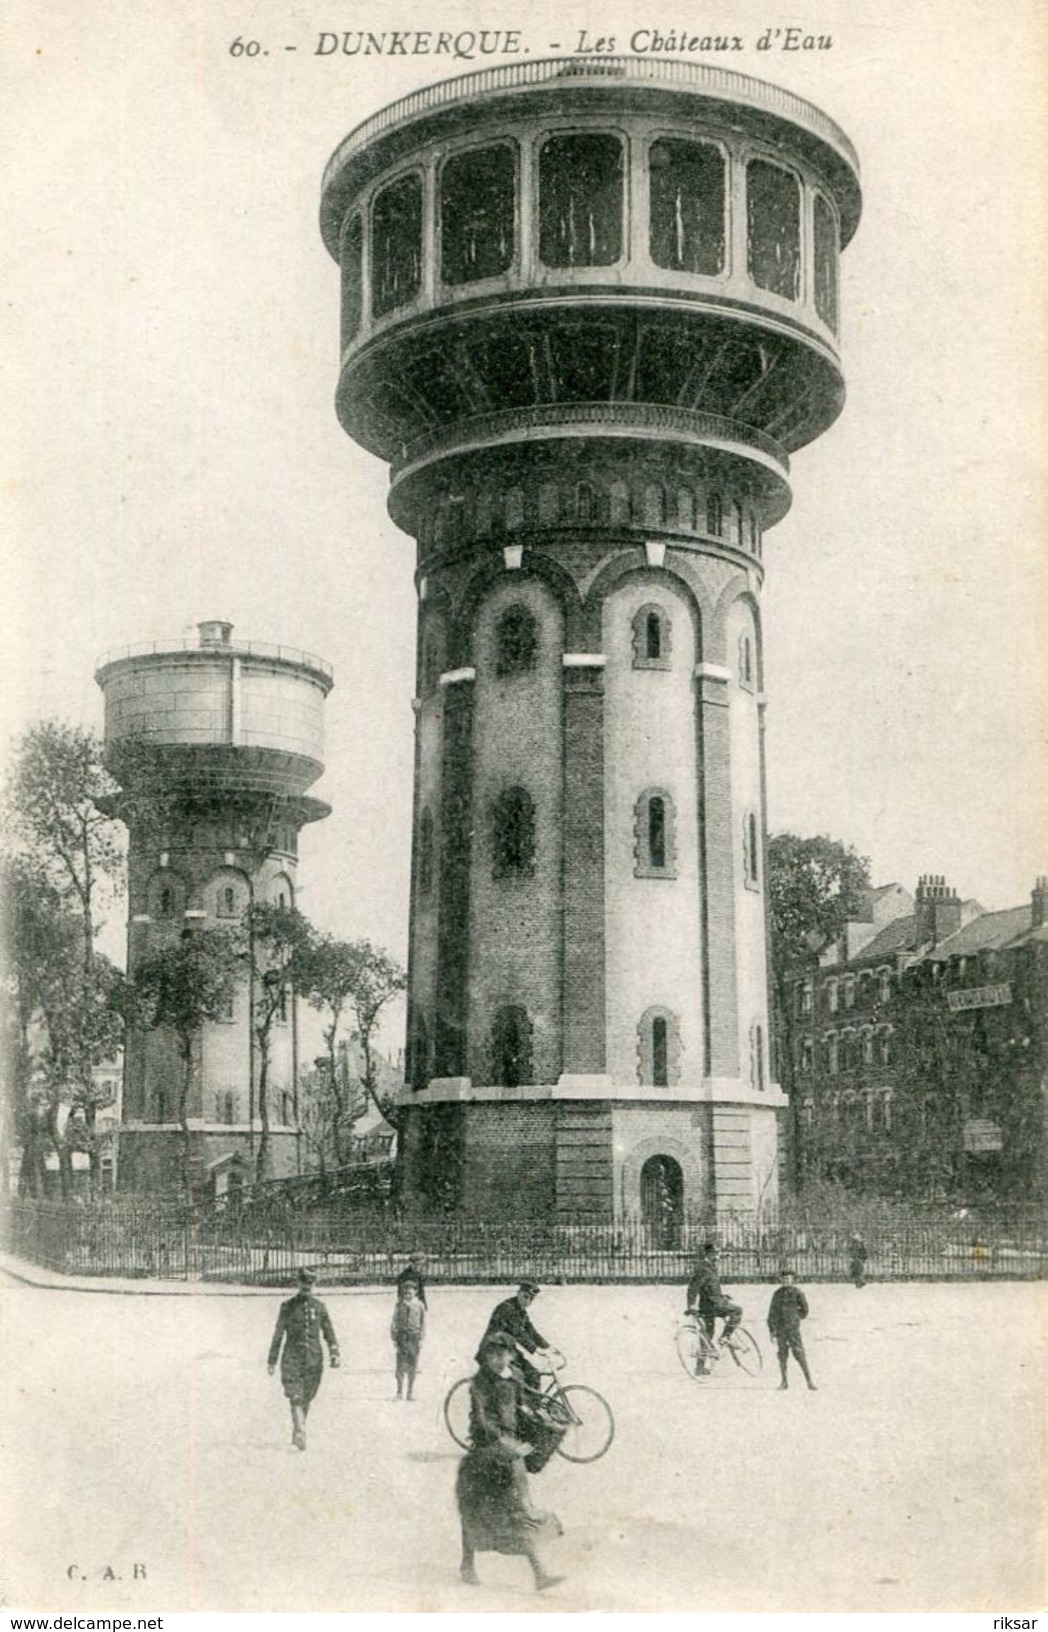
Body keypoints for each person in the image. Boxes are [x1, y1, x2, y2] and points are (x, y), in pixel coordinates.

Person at [455, 1333, 565, 1592]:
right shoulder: (479, 1383)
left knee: (517, 1511)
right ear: (486, 1356)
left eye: (503, 1354)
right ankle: (468, 1564)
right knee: (474, 1512)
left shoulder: (514, 1377)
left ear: (512, 1355)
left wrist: (545, 1421)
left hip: (510, 1458)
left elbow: (522, 1407)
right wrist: (506, 1444)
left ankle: (539, 1574)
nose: (498, 1359)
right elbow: (482, 1421)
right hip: (485, 1457)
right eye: (493, 1354)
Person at [477, 1281, 563, 1472]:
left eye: (531, 1298)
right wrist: (535, 1350)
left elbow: (530, 1331)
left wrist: (548, 1347)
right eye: (525, 1296)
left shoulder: (520, 1310)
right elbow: (517, 1332)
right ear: (519, 1293)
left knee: (532, 1374)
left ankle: (530, 1413)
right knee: (512, 1386)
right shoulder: (507, 1308)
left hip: (508, 1351)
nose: (527, 1301)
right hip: (494, 1352)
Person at [267, 1267, 340, 1450]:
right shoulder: (287, 1306)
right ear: (298, 1283)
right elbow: (278, 1334)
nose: (307, 1286)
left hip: (313, 1359)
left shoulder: (320, 1307)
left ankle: (297, 1428)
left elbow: (329, 1332)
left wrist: (334, 1352)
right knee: (295, 1395)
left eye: (310, 1283)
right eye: (304, 1282)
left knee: (307, 1396)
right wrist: (272, 1360)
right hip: (292, 1357)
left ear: (314, 1284)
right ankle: (300, 1431)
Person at [685, 1243, 742, 1370]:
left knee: (707, 1334)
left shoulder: (710, 1266)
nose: (718, 1256)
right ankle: (725, 1337)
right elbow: (693, 1287)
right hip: (713, 1305)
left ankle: (700, 1367)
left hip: (709, 1304)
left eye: (718, 1253)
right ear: (709, 1254)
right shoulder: (703, 1268)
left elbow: (709, 1287)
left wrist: (722, 1296)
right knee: (737, 1311)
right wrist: (691, 1305)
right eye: (716, 1253)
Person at [767, 1268, 816, 1391]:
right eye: (783, 1279)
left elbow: (805, 1311)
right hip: (780, 1329)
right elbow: (771, 1313)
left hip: (792, 1329)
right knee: (782, 1354)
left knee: (799, 1353)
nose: (786, 1281)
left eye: (788, 1279)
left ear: (792, 1280)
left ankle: (809, 1381)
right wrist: (771, 1330)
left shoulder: (798, 1293)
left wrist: (795, 1318)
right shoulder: (777, 1294)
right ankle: (784, 1382)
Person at [391, 1277, 425, 1400]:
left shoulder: (420, 1305)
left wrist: (421, 1339)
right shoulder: (399, 1305)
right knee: (400, 1364)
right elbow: (394, 1322)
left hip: (414, 1337)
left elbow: (423, 1323)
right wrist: (394, 1338)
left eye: (410, 1292)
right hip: (401, 1337)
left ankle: (410, 1392)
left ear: (415, 1292)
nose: (407, 1295)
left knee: (413, 1365)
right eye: (405, 1292)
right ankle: (399, 1391)